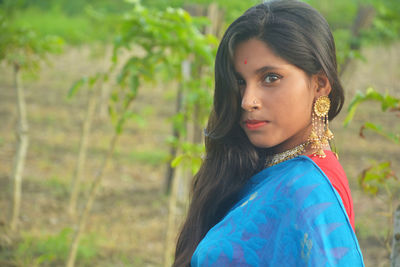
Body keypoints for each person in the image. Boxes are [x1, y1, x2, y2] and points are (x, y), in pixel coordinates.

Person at [173, 0, 364, 266]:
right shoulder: (257, 164)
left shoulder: (310, 188)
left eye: (270, 78)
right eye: (240, 82)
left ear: (319, 84)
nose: (247, 101)